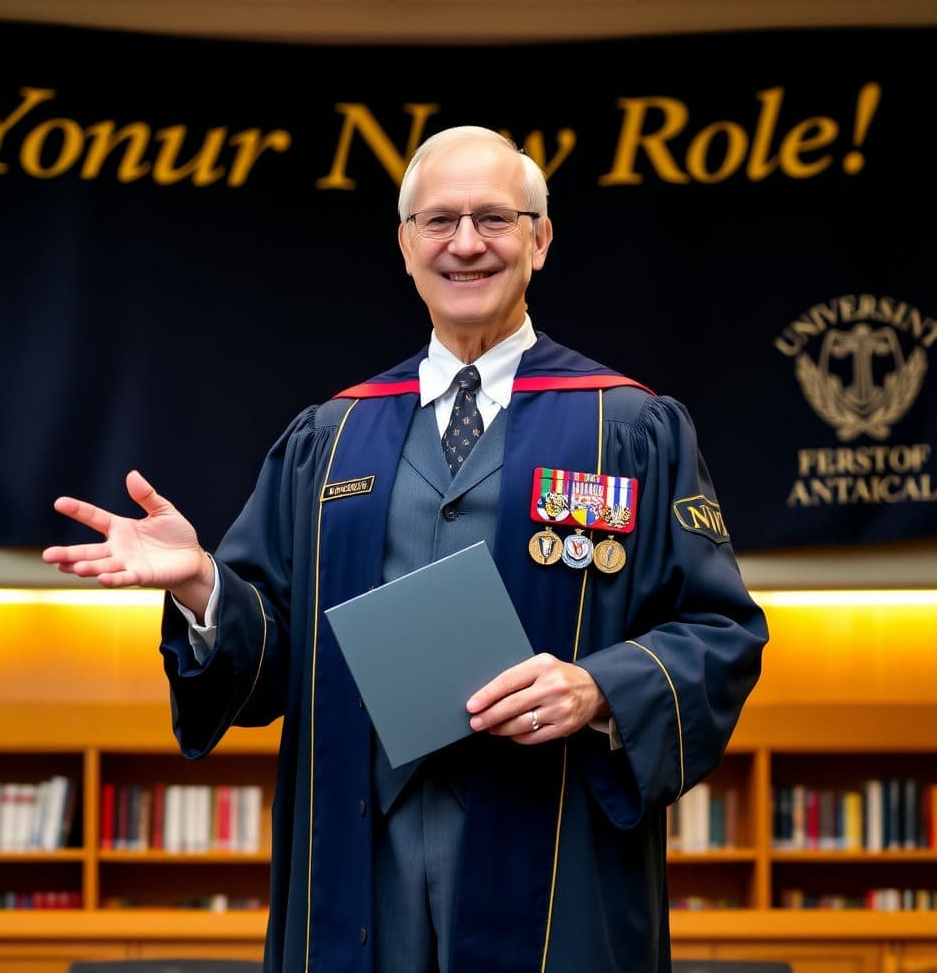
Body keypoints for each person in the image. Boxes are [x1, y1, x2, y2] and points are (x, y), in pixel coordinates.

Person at [42, 125, 768, 973]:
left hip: (553, 851)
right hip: (359, 858)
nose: (466, 243)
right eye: (439, 221)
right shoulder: (331, 438)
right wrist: (205, 586)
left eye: (495, 219)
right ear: (405, 245)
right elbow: (274, 658)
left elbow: (721, 633)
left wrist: (600, 687)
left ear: (540, 239)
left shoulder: (630, 426)